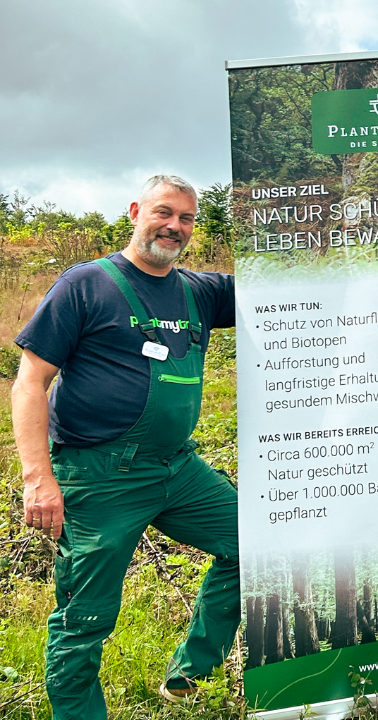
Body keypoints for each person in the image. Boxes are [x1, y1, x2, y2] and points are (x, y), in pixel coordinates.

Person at [14, 176, 238, 720]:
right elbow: (29, 382)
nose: (175, 227)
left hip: (176, 469)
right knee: (84, 619)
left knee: (254, 543)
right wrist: (38, 478)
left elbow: (281, 279)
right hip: (99, 475)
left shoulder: (199, 291)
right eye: (164, 213)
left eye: (186, 218)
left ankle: (190, 676)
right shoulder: (86, 284)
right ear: (135, 211)